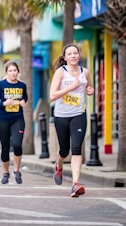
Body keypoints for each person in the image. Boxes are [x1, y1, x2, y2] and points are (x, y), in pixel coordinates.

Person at [49, 43, 94, 197]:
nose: (73, 56)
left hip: (78, 114)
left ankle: (75, 184)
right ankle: (58, 165)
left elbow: (90, 88)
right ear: (65, 57)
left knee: (76, 148)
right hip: (61, 116)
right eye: (70, 54)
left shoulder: (85, 72)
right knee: (64, 150)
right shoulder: (61, 73)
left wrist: (90, 91)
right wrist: (71, 87)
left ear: (79, 55)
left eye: (76, 53)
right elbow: (52, 95)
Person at [0, 61, 28, 185]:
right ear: (6, 72)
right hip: (3, 119)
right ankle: (5, 172)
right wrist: (4, 103)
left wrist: (23, 102)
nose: (13, 73)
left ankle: (16, 171)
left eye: (15, 70)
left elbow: (25, 97)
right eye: (10, 71)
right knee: (5, 147)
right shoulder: (1, 85)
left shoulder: (22, 85)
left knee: (17, 144)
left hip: (18, 119)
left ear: (18, 71)